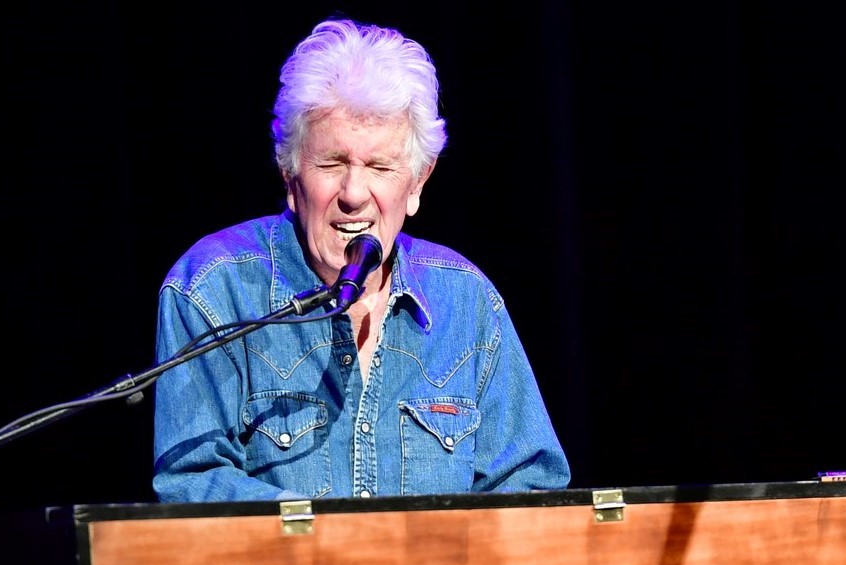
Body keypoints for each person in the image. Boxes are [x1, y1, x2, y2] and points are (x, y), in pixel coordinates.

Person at [151, 17, 570, 503]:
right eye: (331, 163)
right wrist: (345, 555)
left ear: (416, 184)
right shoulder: (212, 290)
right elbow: (192, 483)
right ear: (290, 175)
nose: (354, 195)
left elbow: (531, 492)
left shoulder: (468, 301)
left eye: (380, 167)